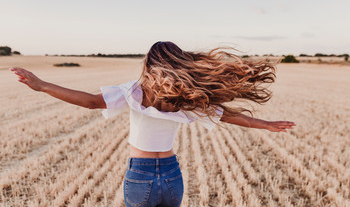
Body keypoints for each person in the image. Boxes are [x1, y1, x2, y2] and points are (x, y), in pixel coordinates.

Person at [10, 41, 295, 207]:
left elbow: (91, 102)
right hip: (172, 177)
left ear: (150, 65)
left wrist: (43, 85)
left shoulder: (135, 92)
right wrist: (266, 124)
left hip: (140, 175)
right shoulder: (187, 99)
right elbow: (230, 116)